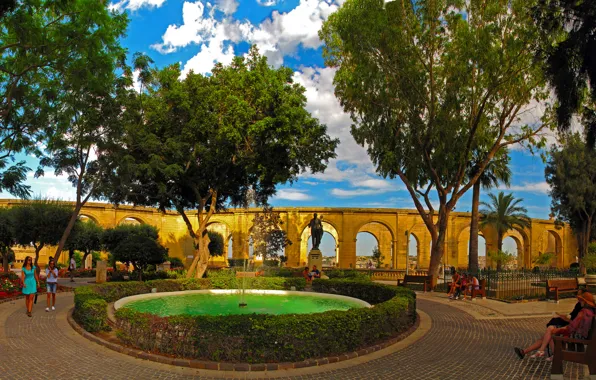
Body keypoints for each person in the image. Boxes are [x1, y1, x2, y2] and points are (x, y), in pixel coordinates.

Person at [514, 291, 596, 361]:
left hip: (577, 336)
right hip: (582, 334)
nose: (579, 301)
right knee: (548, 333)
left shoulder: (583, 312)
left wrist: (558, 330)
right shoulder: (590, 311)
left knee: (550, 331)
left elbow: (571, 328)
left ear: (585, 302)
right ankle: (526, 352)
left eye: (581, 300)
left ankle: (553, 355)